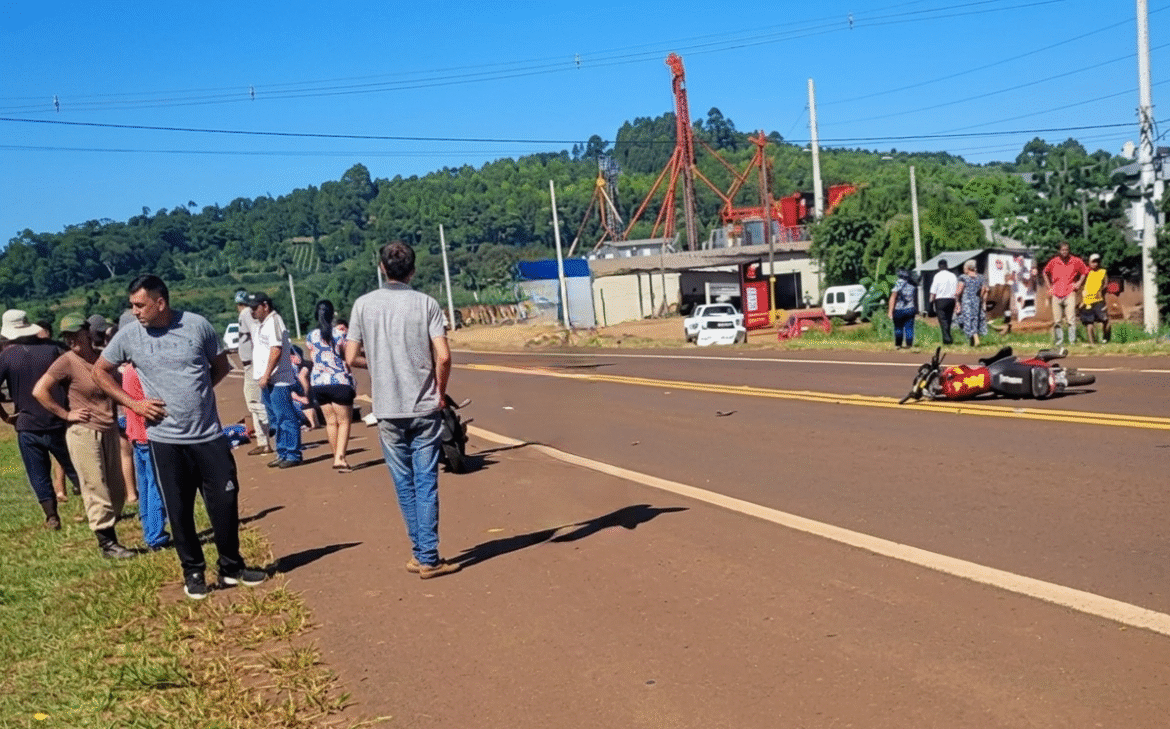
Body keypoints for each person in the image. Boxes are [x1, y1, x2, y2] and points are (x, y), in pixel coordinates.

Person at [94, 275, 266, 600]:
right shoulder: (129, 336)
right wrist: (135, 404)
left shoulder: (197, 326)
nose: (135, 311)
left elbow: (220, 366)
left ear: (161, 303)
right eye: (132, 305)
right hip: (165, 439)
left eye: (140, 305)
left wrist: (198, 396)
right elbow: (99, 371)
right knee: (179, 508)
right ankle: (194, 571)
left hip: (208, 435)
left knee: (225, 501)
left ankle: (231, 567)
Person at [345, 241, 459, 579]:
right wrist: (440, 392)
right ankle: (428, 556)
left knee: (403, 481)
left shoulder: (363, 305)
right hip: (423, 405)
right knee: (426, 480)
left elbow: (350, 357)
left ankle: (420, 551)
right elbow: (444, 356)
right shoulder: (426, 304)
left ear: (382, 268)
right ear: (412, 270)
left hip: (387, 408)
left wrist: (378, 363)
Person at [32, 314, 134, 558]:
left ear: (87, 332)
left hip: (108, 428)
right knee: (95, 486)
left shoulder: (103, 357)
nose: (71, 340)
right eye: (66, 336)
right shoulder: (66, 362)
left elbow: (120, 384)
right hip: (84, 432)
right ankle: (107, 543)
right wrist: (66, 414)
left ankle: (110, 532)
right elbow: (39, 391)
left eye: (75, 334)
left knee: (117, 489)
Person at [0, 310, 80, 529]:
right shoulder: (54, 349)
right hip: (59, 420)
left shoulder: (7, 356)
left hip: (27, 424)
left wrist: (6, 416)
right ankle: (92, 505)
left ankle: (52, 516)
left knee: (38, 473)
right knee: (75, 467)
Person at [117, 310, 171, 551]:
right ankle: (155, 535)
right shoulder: (139, 370)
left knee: (147, 486)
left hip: (137, 435)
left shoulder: (126, 370)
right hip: (149, 435)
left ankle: (150, 531)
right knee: (157, 486)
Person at [247, 292, 302, 468]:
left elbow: (276, 350)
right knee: (277, 419)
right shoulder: (264, 324)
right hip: (269, 381)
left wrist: (266, 375)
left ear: (265, 305)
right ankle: (283, 451)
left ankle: (292, 453)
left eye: (255, 308)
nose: (252, 312)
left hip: (277, 379)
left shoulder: (274, 321)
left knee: (285, 417)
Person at [306, 300, 356, 472]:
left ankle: (336, 455)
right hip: (338, 380)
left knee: (331, 422)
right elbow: (347, 355)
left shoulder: (311, 336)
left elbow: (313, 358)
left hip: (318, 382)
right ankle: (340, 458)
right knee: (344, 421)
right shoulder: (339, 334)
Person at [235, 290, 272, 457]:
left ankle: (268, 432)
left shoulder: (245, 314)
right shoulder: (247, 314)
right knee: (255, 403)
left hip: (252, 363)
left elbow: (255, 333)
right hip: (252, 362)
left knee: (254, 401)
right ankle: (262, 441)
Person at [1042, 242, 1088, 346]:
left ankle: (1072, 341)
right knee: (1057, 320)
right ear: (1059, 251)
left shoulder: (1075, 261)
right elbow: (1045, 272)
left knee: (1070, 319)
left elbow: (1085, 271)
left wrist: (1079, 283)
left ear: (1069, 250)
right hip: (1056, 293)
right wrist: (1049, 287)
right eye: (1062, 250)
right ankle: (1059, 341)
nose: (1065, 252)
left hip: (1069, 292)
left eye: (1066, 250)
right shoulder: (1054, 262)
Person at [955, 259, 990, 347]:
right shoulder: (981, 277)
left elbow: (958, 292)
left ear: (968, 268)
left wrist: (957, 302)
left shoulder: (963, 277)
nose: (964, 269)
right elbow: (985, 290)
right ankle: (974, 340)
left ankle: (973, 339)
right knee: (975, 320)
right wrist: (982, 301)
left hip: (966, 302)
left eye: (964, 267)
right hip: (977, 301)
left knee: (966, 320)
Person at [1079, 253, 1111, 344]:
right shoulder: (1086, 272)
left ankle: (1105, 340)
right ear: (1089, 262)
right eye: (1093, 262)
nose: (1095, 264)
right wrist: (1081, 301)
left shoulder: (1103, 272)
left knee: (1105, 321)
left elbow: (1106, 286)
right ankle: (1092, 344)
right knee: (1089, 324)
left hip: (1099, 301)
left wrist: (1106, 301)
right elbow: (1080, 285)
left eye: (1097, 262)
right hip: (1087, 301)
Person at [886, 269, 918, 350]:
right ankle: (909, 345)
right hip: (910, 308)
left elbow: (893, 296)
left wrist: (890, 311)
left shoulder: (899, 283)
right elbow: (915, 298)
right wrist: (916, 309)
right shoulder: (912, 284)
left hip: (899, 309)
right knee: (909, 327)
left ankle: (898, 345)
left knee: (898, 327)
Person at [929, 259, 957, 346]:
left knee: (943, 320)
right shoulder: (953, 275)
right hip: (951, 299)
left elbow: (933, 291)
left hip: (940, 300)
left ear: (939, 267)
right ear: (947, 266)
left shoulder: (937, 276)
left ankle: (947, 339)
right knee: (948, 319)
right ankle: (947, 338)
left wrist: (930, 303)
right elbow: (956, 289)